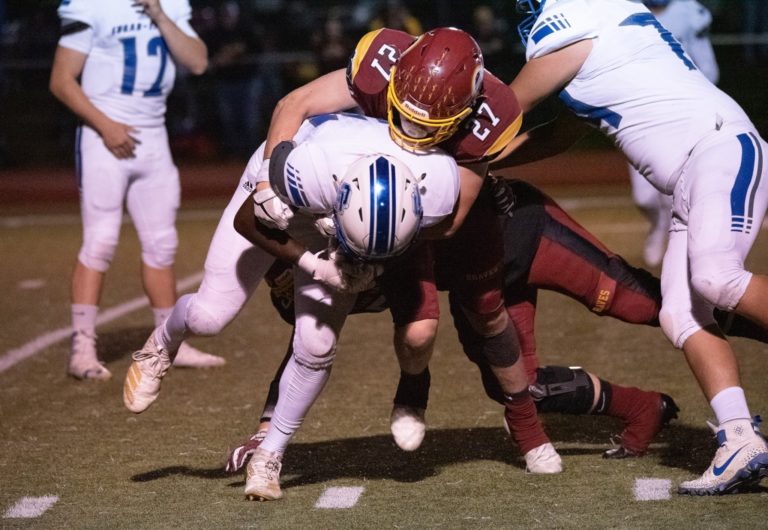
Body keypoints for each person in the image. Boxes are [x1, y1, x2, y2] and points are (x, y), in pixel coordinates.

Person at [251, 27, 562, 481]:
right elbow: (294, 103)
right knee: (417, 333)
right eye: (404, 112)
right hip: (376, 195)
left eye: (428, 125)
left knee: (489, 312)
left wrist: (374, 239)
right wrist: (267, 179)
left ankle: (528, 427)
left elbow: (451, 220)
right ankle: (414, 386)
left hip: (434, 207)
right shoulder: (381, 61)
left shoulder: (490, 115)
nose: (412, 132)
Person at [492, 0, 768, 495]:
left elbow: (510, 106)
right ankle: (739, 438)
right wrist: (487, 160)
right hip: (690, 173)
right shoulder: (594, 35)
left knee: (717, 277)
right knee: (680, 314)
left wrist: (443, 147)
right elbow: (559, 134)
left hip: (718, 147)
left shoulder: (574, 21)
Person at [121, 114, 461, 502]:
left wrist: (374, 263)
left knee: (317, 345)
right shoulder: (308, 170)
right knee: (209, 316)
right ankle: (161, 345)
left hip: (345, 208)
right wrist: (315, 265)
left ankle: (269, 455)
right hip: (283, 193)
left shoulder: (438, 186)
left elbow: (431, 229)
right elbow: (248, 221)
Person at [49, 0, 223, 381]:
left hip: (154, 136)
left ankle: (169, 344)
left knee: (162, 244)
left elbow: (197, 62)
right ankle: (82, 349)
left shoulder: (168, 4)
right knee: (100, 241)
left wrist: (159, 15)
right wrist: (106, 125)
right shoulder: (90, 5)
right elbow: (61, 80)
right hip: (102, 136)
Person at [630, 0, 720, 267]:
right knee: (643, 197)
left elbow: (708, 66)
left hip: (679, 111)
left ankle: (677, 243)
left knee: (673, 188)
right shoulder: (623, 9)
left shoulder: (688, 11)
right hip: (639, 112)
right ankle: (658, 224)